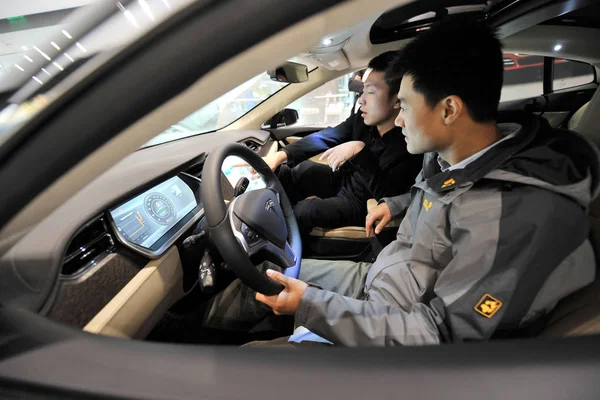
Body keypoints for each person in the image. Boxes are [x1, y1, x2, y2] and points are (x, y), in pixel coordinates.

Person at [207, 16, 599, 346]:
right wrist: (394, 206)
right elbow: (437, 200)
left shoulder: (515, 214)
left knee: (251, 362)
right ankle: (187, 334)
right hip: (384, 280)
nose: (398, 119)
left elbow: (437, 334)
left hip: (400, 325)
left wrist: (310, 305)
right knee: (259, 281)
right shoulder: (458, 159)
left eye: (406, 105)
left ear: (449, 109)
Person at [262, 51, 423, 234]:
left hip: (362, 201)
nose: (362, 99)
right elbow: (327, 136)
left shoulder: (410, 143)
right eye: (363, 91)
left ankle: (286, 253)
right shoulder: (362, 120)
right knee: (302, 171)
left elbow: (386, 194)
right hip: (346, 181)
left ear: (397, 100)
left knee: (305, 210)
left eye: (370, 92)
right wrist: (280, 155)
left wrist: (360, 152)